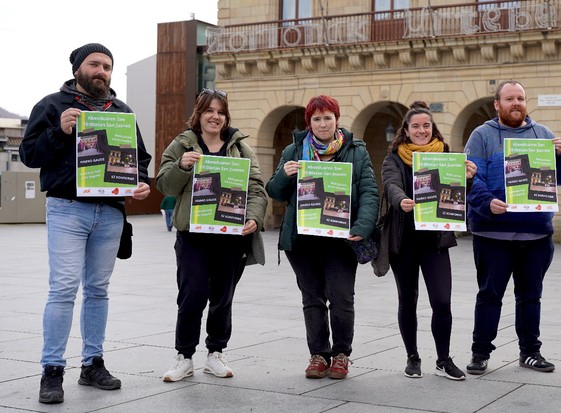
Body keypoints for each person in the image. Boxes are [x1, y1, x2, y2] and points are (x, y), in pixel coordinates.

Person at [20, 43, 152, 404]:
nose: (102, 71)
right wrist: (57, 132)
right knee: (63, 289)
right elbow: (28, 154)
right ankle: (52, 370)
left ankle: (92, 363)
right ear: (78, 68)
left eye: (107, 66)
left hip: (109, 212)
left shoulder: (121, 111)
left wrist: (139, 181)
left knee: (98, 290)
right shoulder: (52, 105)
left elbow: (139, 158)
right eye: (94, 64)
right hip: (67, 208)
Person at [156, 88, 268, 382]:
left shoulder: (240, 148)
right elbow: (164, 185)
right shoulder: (181, 145)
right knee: (192, 295)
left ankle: (215, 353)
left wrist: (254, 217)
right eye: (209, 111)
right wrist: (182, 167)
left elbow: (256, 188)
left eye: (220, 112)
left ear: (225, 116)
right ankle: (184, 356)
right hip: (193, 236)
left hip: (230, 238)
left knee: (223, 297)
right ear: (199, 114)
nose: (215, 117)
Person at [266, 95, 379, 380]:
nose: (322, 123)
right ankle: (318, 354)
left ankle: (341, 354)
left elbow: (368, 191)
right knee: (312, 298)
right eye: (316, 118)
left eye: (328, 117)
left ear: (336, 120)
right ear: (309, 123)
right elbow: (275, 192)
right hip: (303, 239)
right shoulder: (294, 151)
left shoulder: (356, 151)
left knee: (341, 298)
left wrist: (362, 226)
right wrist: (284, 175)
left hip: (342, 238)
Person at [464, 80, 561, 375]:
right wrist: (487, 203)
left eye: (521, 98)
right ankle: (480, 352)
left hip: (536, 233)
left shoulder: (543, 135)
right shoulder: (481, 135)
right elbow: (471, 177)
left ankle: (530, 352)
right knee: (489, 295)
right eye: (509, 98)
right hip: (492, 233)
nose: (516, 103)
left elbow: (559, 179)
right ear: (497, 104)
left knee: (530, 296)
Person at [380, 101, 476, 380]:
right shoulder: (394, 157)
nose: (421, 130)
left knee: (442, 301)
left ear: (432, 128)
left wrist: (467, 178)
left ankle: (443, 359)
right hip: (404, 239)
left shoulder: (445, 155)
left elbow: (455, 192)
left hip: (434, 241)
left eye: (426, 126)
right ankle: (413, 357)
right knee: (407, 300)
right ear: (406, 131)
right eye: (415, 126)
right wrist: (401, 200)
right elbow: (391, 184)